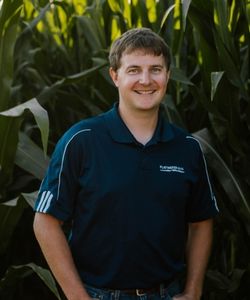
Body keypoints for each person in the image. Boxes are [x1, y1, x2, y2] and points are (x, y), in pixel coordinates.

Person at [33, 27, 219, 300]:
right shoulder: (81, 141)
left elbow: (201, 221)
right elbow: (45, 222)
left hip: (166, 293)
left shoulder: (187, 148)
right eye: (133, 70)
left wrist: (193, 290)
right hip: (97, 294)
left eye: (155, 69)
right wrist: (78, 297)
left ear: (168, 75)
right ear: (115, 76)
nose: (146, 79)